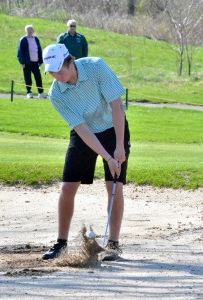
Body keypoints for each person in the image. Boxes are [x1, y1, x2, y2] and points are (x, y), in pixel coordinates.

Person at [41, 44, 130, 261]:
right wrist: (106, 157)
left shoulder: (96, 67)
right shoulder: (56, 94)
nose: (57, 76)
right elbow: (81, 129)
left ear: (70, 61)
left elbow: (117, 106)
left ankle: (113, 244)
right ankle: (61, 243)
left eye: (60, 70)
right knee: (68, 186)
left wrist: (118, 149)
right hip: (85, 133)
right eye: (52, 72)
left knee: (114, 184)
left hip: (113, 128)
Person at [17, 25, 47, 99]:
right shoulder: (23, 40)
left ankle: (41, 92)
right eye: (28, 30)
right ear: (26, 31)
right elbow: (20, 52)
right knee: (28, 78)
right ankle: (29, 92)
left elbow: (39, 49)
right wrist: (22, 62)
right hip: (27, 63)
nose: (30, 31)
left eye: (31, 30)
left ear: (33, 31)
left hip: (35, 62)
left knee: (38, 78)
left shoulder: (36, 39)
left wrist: (41, 60)